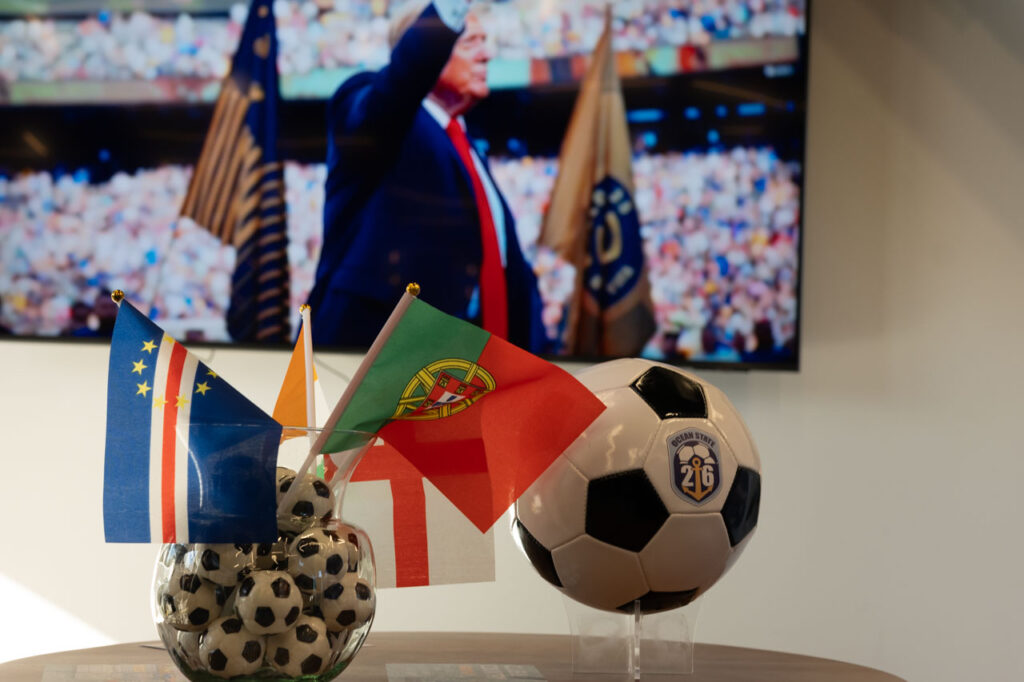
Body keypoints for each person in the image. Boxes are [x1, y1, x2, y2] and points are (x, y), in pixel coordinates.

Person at [307, 0, 546, 352]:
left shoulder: (468, 148)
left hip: (463, 364)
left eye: (485, 42)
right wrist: (448, 11)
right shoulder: (378, 114)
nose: (487, 55)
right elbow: (396, 88)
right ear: (428, 48)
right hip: (373, 358)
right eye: (471, 42)